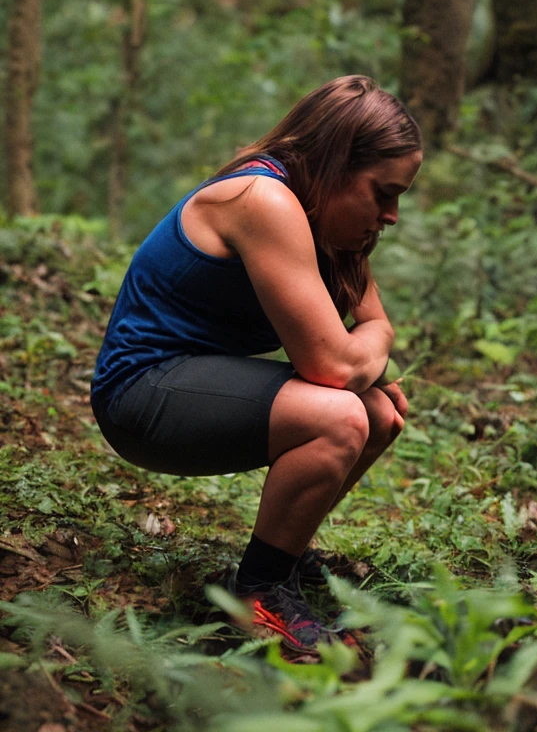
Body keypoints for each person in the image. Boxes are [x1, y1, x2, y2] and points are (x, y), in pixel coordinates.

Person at [91, 75, 422, 654]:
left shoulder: (326, 222)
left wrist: (373, 346)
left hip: (193, 382)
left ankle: (280, 561)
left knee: (381, 416)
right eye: (382, 192)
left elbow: (372, 337)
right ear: (337, 164)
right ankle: (259, 591)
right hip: (139, 394)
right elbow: (340, 364)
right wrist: (376, 343)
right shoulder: (260, 200)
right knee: (343, 414)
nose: (391, 215)